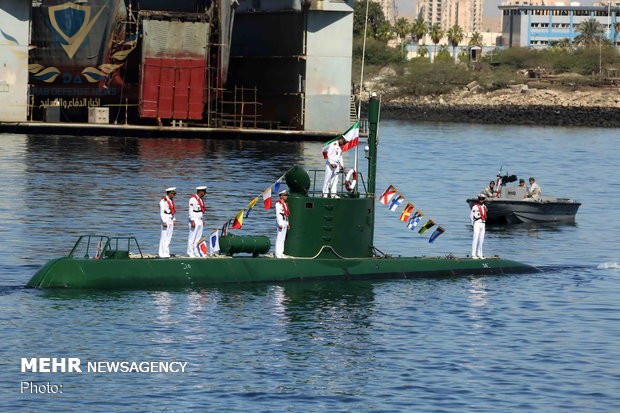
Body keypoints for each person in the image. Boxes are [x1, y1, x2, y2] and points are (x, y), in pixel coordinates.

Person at [187, 185, 207, 257]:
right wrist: (192, 220)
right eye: (204, 191)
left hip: (199, 220)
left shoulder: (200, 199)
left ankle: (196, 251)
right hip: (194, 219)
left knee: (198, 237)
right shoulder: (193, 199)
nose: (205, 193)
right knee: (192, 237)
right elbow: (191, 211)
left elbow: (200, 210)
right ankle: (190, 252)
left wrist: (202, 219)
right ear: (200, 191)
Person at [159, 187, 177, 258]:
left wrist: (174, 219)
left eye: (175, 193)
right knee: (163, 237)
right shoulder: (163, 201)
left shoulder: (171, 201)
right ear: (169, 193)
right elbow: (162, 212)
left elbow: (172, 211)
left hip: (170, 219)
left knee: (168, 237)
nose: (174, 195)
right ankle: (161, 253)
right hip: (165, 219)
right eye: (173, 193)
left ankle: (166, 252)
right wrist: (163, 221)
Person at [470, 194, 488, 259]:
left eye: (482, 199)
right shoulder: (475, 207)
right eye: (480, 199)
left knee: (481, 239)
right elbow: (471, 216)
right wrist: (473, 225)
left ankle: (480, 254)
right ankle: (473, 254)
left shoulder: (484, 207)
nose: (481, 200)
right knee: (475, 238)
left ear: (484, 200)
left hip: (483, 223)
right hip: (477, 223)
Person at [275, 189, 290, 258]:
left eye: (286, 195)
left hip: (284, 222)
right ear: (281, 196)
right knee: (279, 237)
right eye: (285, 195)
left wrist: (287, 223)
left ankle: (281, 252)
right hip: (280, 222)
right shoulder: (278, 204)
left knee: (283, 238)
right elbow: (278, 214)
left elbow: (286, 214)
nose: (286, 196)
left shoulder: (285, 204)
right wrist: (279, 223)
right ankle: (277, 253)